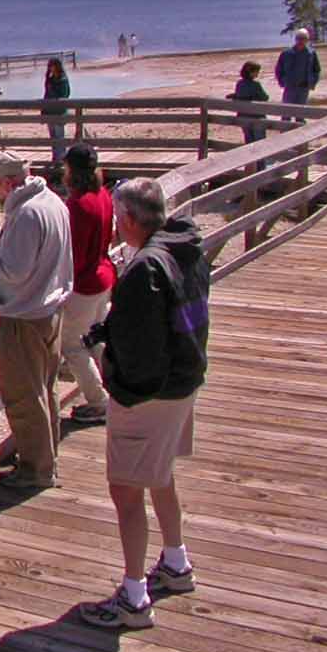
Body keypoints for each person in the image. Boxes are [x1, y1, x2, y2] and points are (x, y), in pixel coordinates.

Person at [77, 178, 209, 629]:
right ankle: (176, 562)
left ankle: (134, 597)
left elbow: (140, 354)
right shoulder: (185, 246)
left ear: (130, 219)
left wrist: (117, 381)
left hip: (150, 396)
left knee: (126, 491)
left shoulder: (141, 271)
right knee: (161, 473)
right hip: (185, 381)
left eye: (117, 216)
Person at [0, 151, 73, 487]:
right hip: (50, 310)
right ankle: (46, 457)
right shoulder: (50, 201)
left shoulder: (27, 214)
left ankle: (35, 470)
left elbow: (13, 270)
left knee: (23, 395)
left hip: (24, 316)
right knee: (46, 388)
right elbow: (29, 254)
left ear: (5, 182)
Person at [60, 144, 115, 424]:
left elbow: (75, 255)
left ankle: (98, 400)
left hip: (84, 284)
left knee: (71, 345)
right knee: (95, 338)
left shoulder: (78, 205)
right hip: (103, 275)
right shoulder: (104, 194)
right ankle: (113, 386)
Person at [274, 28, 321, 104]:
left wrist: (312, 83)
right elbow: (278, 69)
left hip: (304, 88)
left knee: (301, 112)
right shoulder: (286, 53)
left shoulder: (311, 53)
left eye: (303, 39)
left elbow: (317, 70)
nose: (301, 41)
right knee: (286, 111)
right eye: (299, 38)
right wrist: (282, 82)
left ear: (307, 40)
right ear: (295, 39)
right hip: (290, 87)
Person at [227, 61, 271, 143]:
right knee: (260, 142)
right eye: (256, 72)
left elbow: (240, 95)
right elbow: (265, 97)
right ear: (250, 72)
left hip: (243, 115)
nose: (257, 74)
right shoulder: (256, 85)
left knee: (249, 140)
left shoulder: (240, 83)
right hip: (256, 116)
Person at [42, 57, 72, 163]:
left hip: (59, 112)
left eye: (53, 66)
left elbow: (65, 94)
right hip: (50, 112)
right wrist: (43, 110)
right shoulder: (49, 79)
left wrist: (54, 97)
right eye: (49, 66)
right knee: (53, 137)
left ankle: (61, 159)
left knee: (59, 136)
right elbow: (46, 95)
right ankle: (55, 158)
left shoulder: (62, 80)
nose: (51, 68)